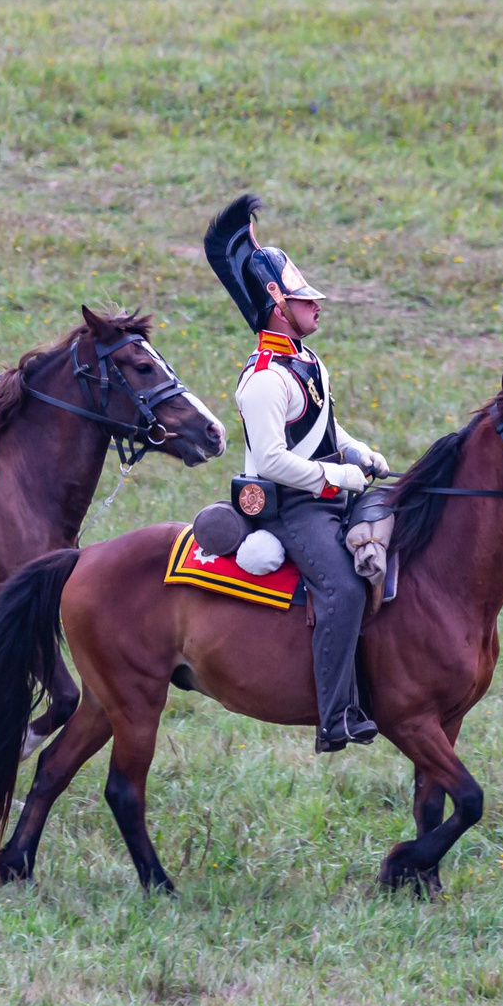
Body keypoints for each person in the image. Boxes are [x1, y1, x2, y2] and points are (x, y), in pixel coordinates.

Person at [205, 195, 389, 752]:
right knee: (342, 589)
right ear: (276, 304)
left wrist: (360, 452)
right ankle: (335, 715)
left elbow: (327, 429)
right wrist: (341, 479)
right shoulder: (262, 379)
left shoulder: (306, 362)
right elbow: (275, 462)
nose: (316, 305)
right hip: (293, 508)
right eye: (305, 298)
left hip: (327, 490)